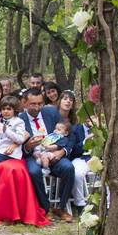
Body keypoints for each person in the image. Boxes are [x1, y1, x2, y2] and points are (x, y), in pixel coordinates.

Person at [0, 94, 49, 228]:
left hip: (11, 154)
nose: (6, 111)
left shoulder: (18, 122)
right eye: (4, 109)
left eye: (9, 109)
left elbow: (19, 139)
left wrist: (6, 130)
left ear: (14, 110)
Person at [20, 87, 75, 221]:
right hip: (33, 155)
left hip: (54, 152)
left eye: (40, 104)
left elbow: (70, 134)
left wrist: (62, 151)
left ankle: (61, 207)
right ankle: (46, 208)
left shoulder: (51, 113)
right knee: (33, 172)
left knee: (68, 168)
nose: (37, 107)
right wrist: (28, 146)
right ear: (25, 103)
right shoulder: (20, 120)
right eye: (33, 104)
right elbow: (18, 146)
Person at [58, 90, 90, 214]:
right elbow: (75, 148)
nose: (68, 101)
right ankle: (78, 204)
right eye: (65, 99)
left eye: (70, 100)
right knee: (75, 171)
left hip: (88, 156)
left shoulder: (75, 121)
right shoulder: (54, 117)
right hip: (67, 153)